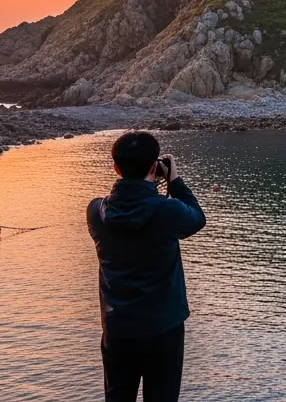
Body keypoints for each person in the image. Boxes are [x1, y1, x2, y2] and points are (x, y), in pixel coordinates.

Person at [88, 131, 206, 402]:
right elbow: (197, 218)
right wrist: (173, 180)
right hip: (163, 329)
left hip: (118, 329)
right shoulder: (167, 211)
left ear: (116, 167)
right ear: (154, 166)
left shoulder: (95, 212)